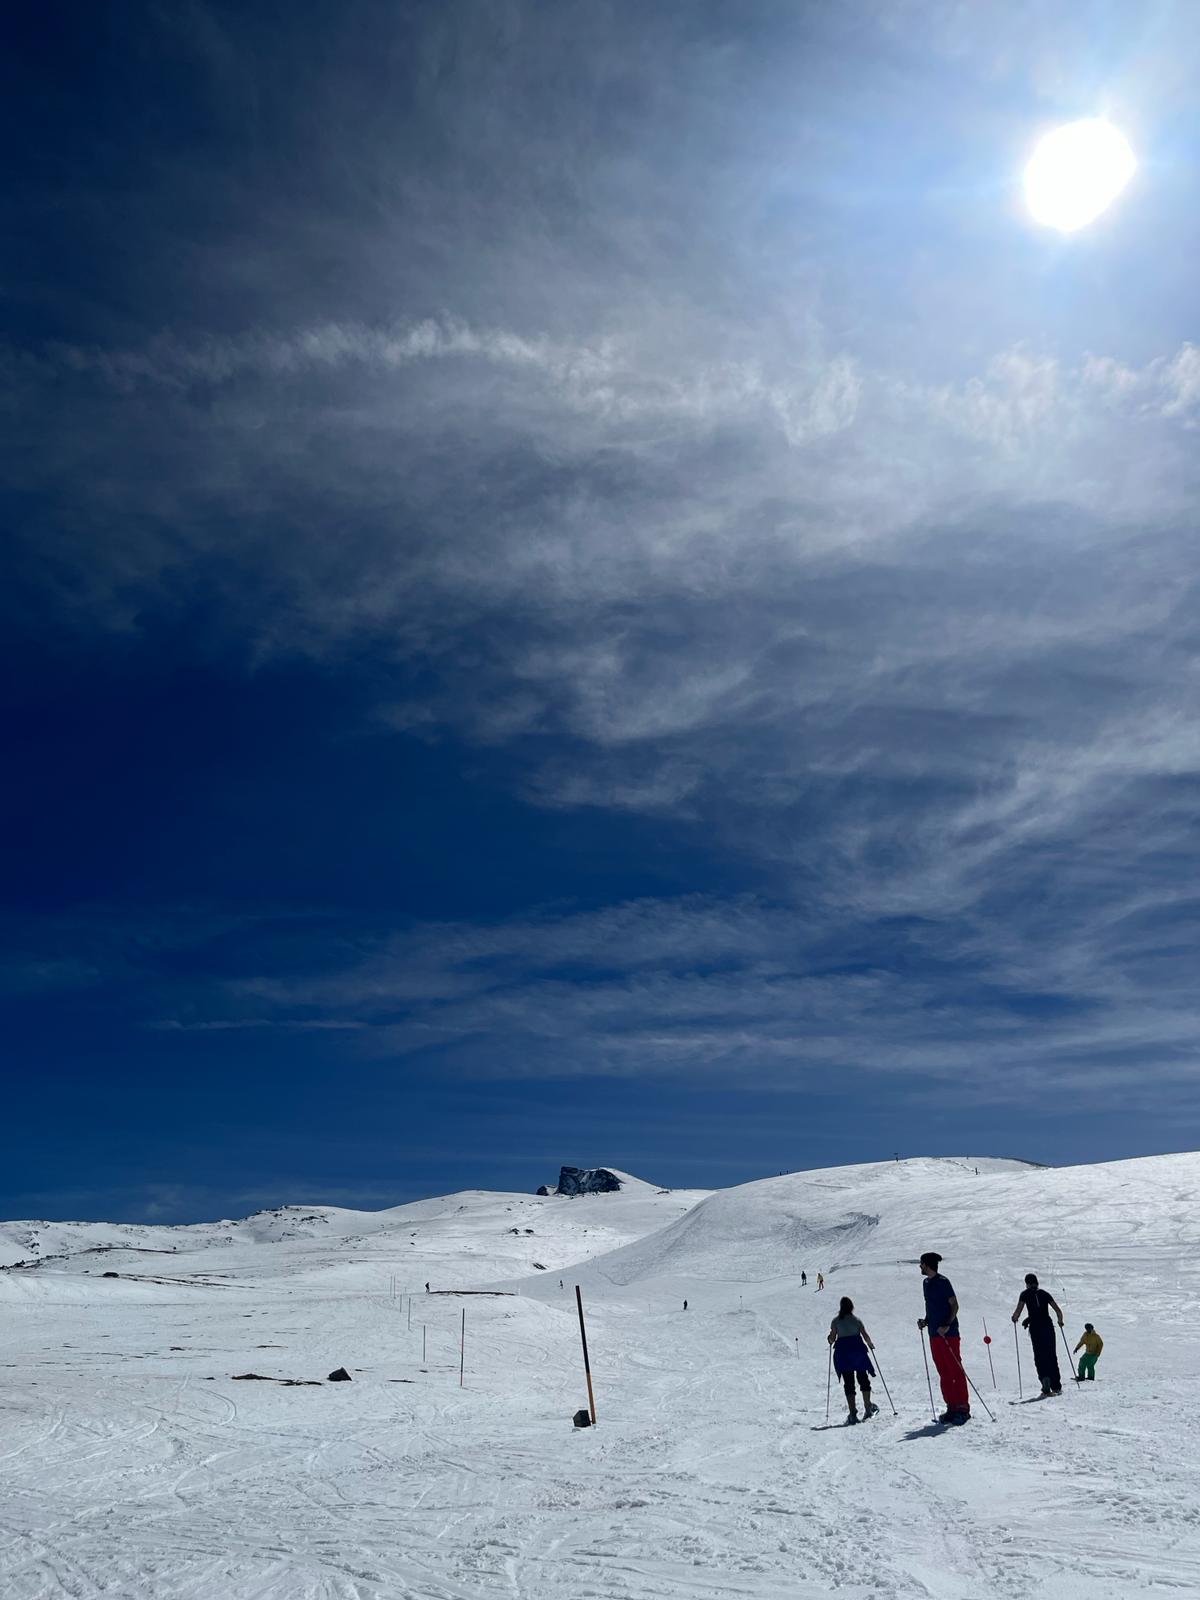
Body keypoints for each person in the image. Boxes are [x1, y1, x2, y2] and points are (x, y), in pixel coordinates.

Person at [917, 1251, 970, 1424]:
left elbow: (954, 1305)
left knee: (955, 1369)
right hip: (934, 1333)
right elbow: (931, 1306)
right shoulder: (926, 1283)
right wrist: (926, 1321)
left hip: (948, 1333)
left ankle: (962, 1408)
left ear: (927, 1264)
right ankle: (951, 1406)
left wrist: (947, 1324)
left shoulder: (943, 1282)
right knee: (943, 1371)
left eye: (921, 1264)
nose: (920, 1267)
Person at [1011, 1273, 1064, 1395]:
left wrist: (1015, 1318)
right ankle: (1056, 1385)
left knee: (1039, 1356)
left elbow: (1018, 1312)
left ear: (1027, 1283)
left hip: (1036, 1329)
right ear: (1037, 1282)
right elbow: (1058, 1310)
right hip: (1048, 1327)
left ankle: (1045, 1379)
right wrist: (1060, 1321)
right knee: (1051, 1355)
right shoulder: (1044, 1293)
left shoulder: (1025, 1294)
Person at [828, 1296, 877, 1423]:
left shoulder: (836, 1321)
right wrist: (870, 1344)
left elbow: (832, 1338)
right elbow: (865, 1335)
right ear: (851, 1307)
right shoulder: (857, 1320)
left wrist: (829, 1338)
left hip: (843, 1353)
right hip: (858, 1351)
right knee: (863, 1379)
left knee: (849, 1382)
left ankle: (853, 1413)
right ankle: (868, 1408)